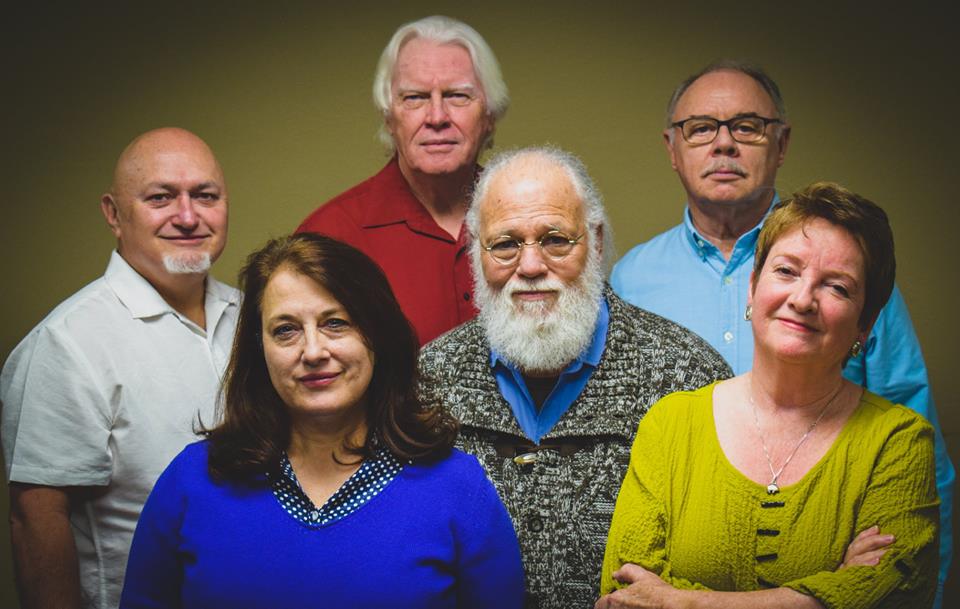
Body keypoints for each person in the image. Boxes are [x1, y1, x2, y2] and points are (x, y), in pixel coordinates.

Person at [609, 60, 953, 602]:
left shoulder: (862, 274)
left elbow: (915, 469)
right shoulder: (629, 279)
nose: (724, 144)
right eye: (701, 128)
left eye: (746, 126)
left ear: (781, 143)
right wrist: (826, 591)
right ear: (672, 149)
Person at [120, 233, 524, 609]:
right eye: (286, 330)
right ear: (259, 351)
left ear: (377, 337)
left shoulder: (458, 488)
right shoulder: (192, 480)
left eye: (336, 323)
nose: (313, 351)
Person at [417, 147, 732, 608]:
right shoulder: (428, 380)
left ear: (597, 241)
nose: (530, 267)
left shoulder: (689, 375)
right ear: (475, 254)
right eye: (505, 244)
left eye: (555, 239)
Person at [1, 128, 238, 609]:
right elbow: (36, 518)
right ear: (113, 214)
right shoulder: (68, 342)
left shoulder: (259, 317)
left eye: (205, 196)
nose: (188, 216)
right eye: (161, 197)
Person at [297, 15, 509, 345]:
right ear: (388, 116)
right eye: (415, 98)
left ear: (490, 116)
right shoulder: (330, 236)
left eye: (457, 96)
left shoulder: (530, 218)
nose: (437, 117)